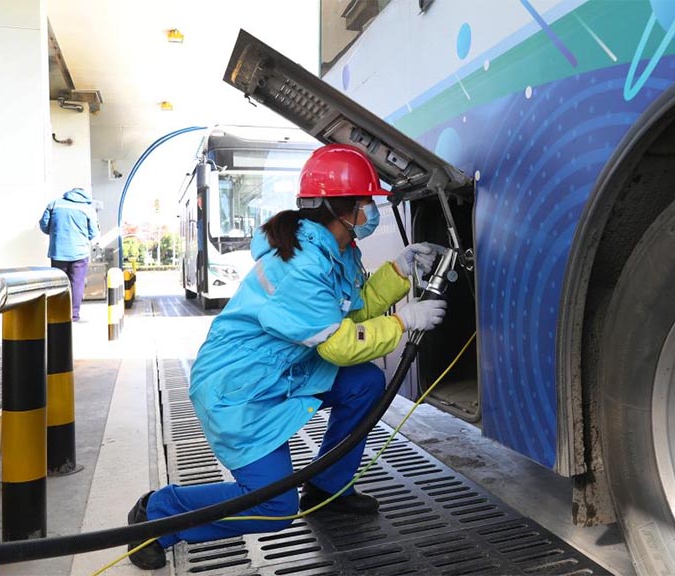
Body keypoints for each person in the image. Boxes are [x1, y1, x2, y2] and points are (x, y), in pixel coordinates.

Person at [126, 144, 448, 569]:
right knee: (274, 508)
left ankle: (328, 488)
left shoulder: (336, 249)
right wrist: (404, 322)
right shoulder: (301, 265)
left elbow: (349, 312)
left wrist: (398, 272)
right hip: (240, 392)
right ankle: (160, 512)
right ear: (340, 207)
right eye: (365, 201)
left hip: (284, 373)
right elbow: (339, 344)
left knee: (365, 383)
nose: (371, 210)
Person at [39, 187, 101, 322]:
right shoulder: (87, 207)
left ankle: (56, 313)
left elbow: (44, 225)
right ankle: (73, 315)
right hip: (80, 252)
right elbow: (93, 233)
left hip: (58, 251)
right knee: (76, 284)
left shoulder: (55, 204)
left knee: (58, 283)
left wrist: (56, 233)